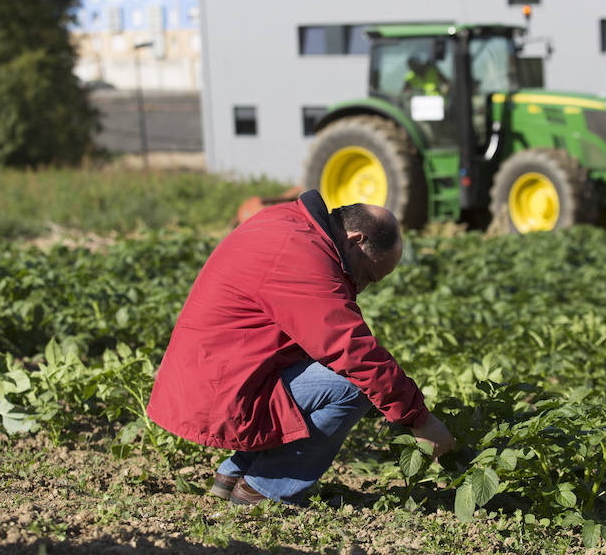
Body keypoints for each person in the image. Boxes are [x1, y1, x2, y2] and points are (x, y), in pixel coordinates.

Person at [146, 189, 455, 505]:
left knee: (331, 368)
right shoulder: (301, 253)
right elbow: (351, 350)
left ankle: (236, 473)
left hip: (219, 371)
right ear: (355, 239)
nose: (360, 287)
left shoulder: (288, 222)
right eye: (367, 275)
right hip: (221, 387)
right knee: (354, 385)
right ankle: (263, 490)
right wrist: (420, 418)